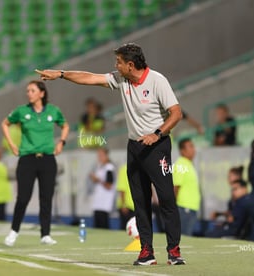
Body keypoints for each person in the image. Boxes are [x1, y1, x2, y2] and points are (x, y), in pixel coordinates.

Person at [36, 42, 185, 265]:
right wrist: (60, 74)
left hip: (157, 146)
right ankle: (147, 252)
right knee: (140, 201)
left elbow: (176, 113)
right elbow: (90, 78)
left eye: (119, 62)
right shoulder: (121, 79)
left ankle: (174, 251)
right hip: (135, 147)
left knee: (166, 198)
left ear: (130, 65)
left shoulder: (157, 81)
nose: (115, 65)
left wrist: (157, 133)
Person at [2, 80, 69, 246]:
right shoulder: (21, 111)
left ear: (42, 93)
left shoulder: (53, 111)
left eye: (32, 90)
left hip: (47, 159)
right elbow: (5, 123)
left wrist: (61, 142)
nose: (29, 93)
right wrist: (11, 144)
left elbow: (65, 126)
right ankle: (13, 231)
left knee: (46, 198)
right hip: (27, 159)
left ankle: (45, 234)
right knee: (23, 197)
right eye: (27, 91)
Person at [173, 138, 201, 236]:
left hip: (190, 208)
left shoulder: (188, 164)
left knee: (187, 236)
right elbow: (176, 187)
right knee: (184, 237)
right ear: (182, 151)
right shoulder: (181, 164)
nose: (194, 149)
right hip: (184, 208)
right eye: (190, 146)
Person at [89, 148, 116, 229]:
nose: (99, 157)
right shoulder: (99, 167)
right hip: (98, 201)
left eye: (101, 155)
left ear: (106, 155)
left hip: (104, 201)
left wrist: (98, 180)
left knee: (103, 224)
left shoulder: (109, 167)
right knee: (97, 224)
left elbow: (109, 185)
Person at [116, 163, 135, 230]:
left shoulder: (141, 168)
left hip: (137, 206)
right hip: (128, 206)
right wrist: (123, 204)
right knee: (126, 228)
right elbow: (122, 188)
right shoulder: (125, 169)